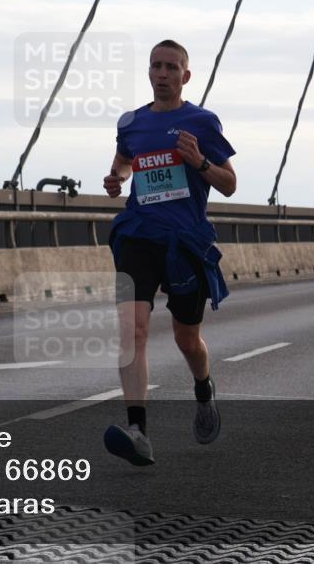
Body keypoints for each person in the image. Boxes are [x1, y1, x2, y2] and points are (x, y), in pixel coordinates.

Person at [101, 39, 237, 466]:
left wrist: (199, 162)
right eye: (157, 66)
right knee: (133, 329)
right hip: (138, 234)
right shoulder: (133, 123)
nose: (163, 73)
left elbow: (229, 183)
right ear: (149, 73)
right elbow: (125, 160)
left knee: (187, 338)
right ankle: (137, 429)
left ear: (185, 76)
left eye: (172, 67)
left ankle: (203, 388)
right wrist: (116, 178)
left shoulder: (202, 122)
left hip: (185, 243)